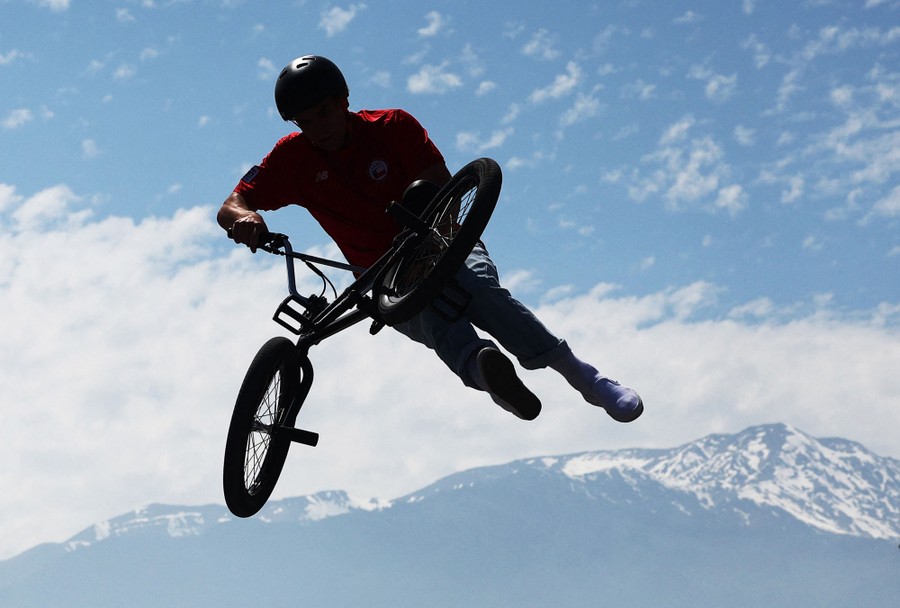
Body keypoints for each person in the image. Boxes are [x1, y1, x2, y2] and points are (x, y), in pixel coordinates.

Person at [217, 55, 643, 423]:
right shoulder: (291, 158)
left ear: (343, 100)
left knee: (479, 289)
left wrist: (425, 226)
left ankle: (588, 379)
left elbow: (444, 187)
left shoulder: (393, 126)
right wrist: (245, 217)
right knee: (436, 320)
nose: (317, 128)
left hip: (439, 240)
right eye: (304, 122)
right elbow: (231, 204)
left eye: (323, 113)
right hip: (379, 276)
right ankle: (487, 372)